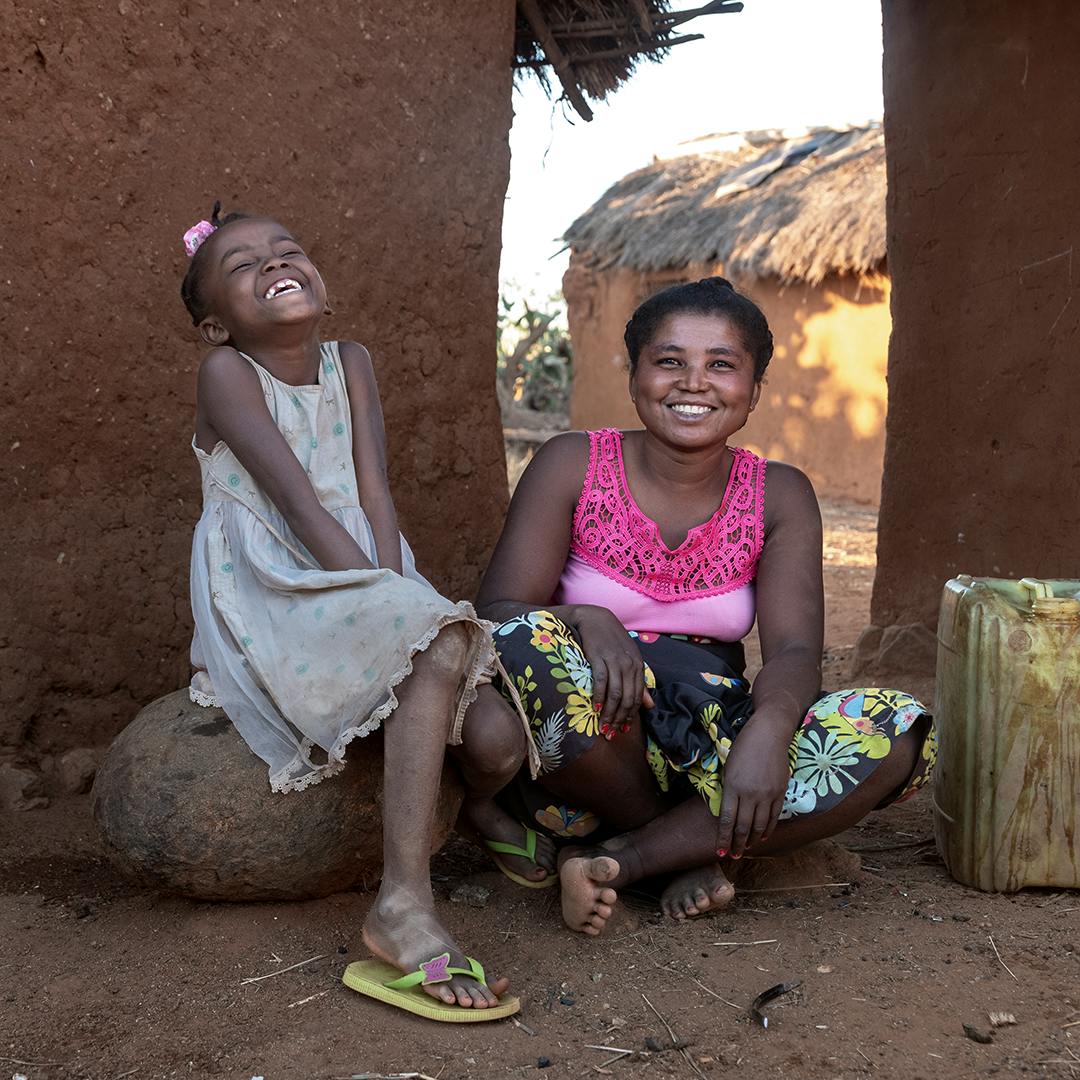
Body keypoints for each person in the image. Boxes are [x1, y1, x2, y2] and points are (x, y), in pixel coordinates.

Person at [476, 277, 937, 936]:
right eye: (670, 361)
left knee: (897, 729)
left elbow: (796, 653)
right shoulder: (571, 464)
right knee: (527, 641)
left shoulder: (780, 494)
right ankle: (678, 854)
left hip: (716, 744)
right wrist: (587, 619)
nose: (693, 383)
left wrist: (768, 737)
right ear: (635, 375)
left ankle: (619, 862)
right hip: (586, 761)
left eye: (721, 365)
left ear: (753, 389)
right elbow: (495, 610)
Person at [179, 204, 537, 1018]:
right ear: (212, 327)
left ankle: (475, 808)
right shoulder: (228, 375)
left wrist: (394, 592)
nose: (274, 263)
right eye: (240, 266)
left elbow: (373, 491)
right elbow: (299, 505)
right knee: (438, 644)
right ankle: (403, 905)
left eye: (287, 249)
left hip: (370, 572)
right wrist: (396, 614)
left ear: (321, 282)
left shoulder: (353, 361)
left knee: (496, 742)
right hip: (282, 583)